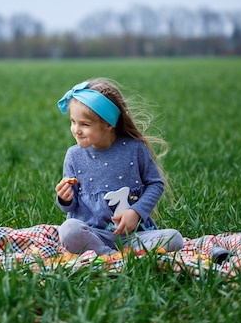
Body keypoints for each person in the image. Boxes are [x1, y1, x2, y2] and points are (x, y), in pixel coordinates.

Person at [55, 78, 183, 255]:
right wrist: (65, 198)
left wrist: (136, 212)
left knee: (174, 238)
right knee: (69, 230)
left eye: (84, 124)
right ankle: (113, 256)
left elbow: (155, 184)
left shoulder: (135, 149)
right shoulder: (73, 156)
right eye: (73, 121)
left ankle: (109, 256)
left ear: (108, 124)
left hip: (135, 236)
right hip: (94, 235)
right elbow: (70, 206)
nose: (76, 129)